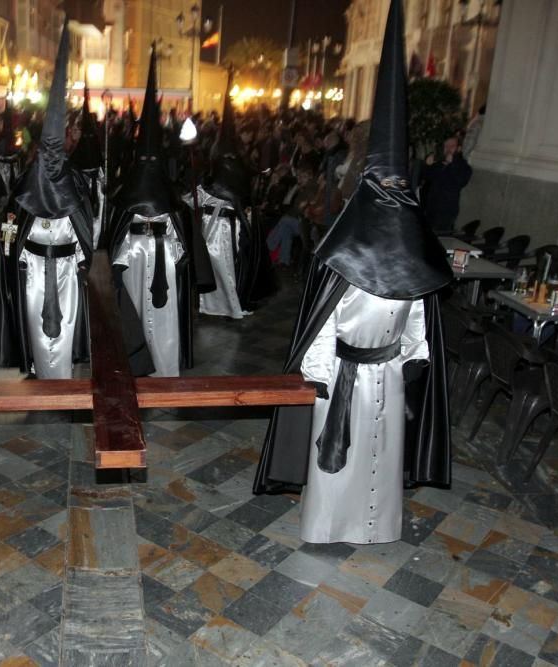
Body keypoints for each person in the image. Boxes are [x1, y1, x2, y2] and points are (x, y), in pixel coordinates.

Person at [254, 0, 452, 545]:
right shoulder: (341, 256)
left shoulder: (413, 257)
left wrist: (414, 359)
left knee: (381, 453)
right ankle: (328, 524)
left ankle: (377, 526)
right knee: (338, 454)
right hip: (343, 374)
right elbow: (320, 325)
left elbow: (416, 320)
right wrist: (318, 375)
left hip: (386, 373)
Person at [0, 20, 94, 380]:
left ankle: (65, 371)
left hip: (68, 274)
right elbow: (11, 226)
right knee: (34, 326)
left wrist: (82, 259)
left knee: (67, 326)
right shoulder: (27, 184)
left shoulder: (73, 183)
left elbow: (87, 230)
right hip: (32, 273)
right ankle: (36, 367)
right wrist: (13, 255)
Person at [108, 45, 205, 377]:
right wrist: (117, 261)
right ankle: (137, 362)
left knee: (164, 315)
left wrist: (179, 249)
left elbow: (180, 227)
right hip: (134, 253)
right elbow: (117, 227)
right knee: (133, 308)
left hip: (164, 254)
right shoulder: (129, 188)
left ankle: (164, 366)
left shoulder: (168, 191)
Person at [183, 68, 275, 319]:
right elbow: (192, 199)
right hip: (211, 228)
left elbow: (244, 200)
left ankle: (231, 304)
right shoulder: (207, 180)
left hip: (228, 228)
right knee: (213, 264)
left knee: (229, 267)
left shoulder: (236, 175)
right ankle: (209, 304)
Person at [69, 85, 105, 246]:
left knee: (96, 212)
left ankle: (93, 240)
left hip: (94, 181)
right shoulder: (74, 145)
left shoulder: (93, 139)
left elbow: (99, 159)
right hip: (81, 182)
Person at [421, 134, 472, 233]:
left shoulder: (463, 166)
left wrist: (453, 163)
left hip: (446, 211)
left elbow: (461, 181)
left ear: (459, 148)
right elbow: (426, 176)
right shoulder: (440, 164)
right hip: (431, 209)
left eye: (452, 146)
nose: (448, 149)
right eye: (446, 146)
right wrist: (427, 165)